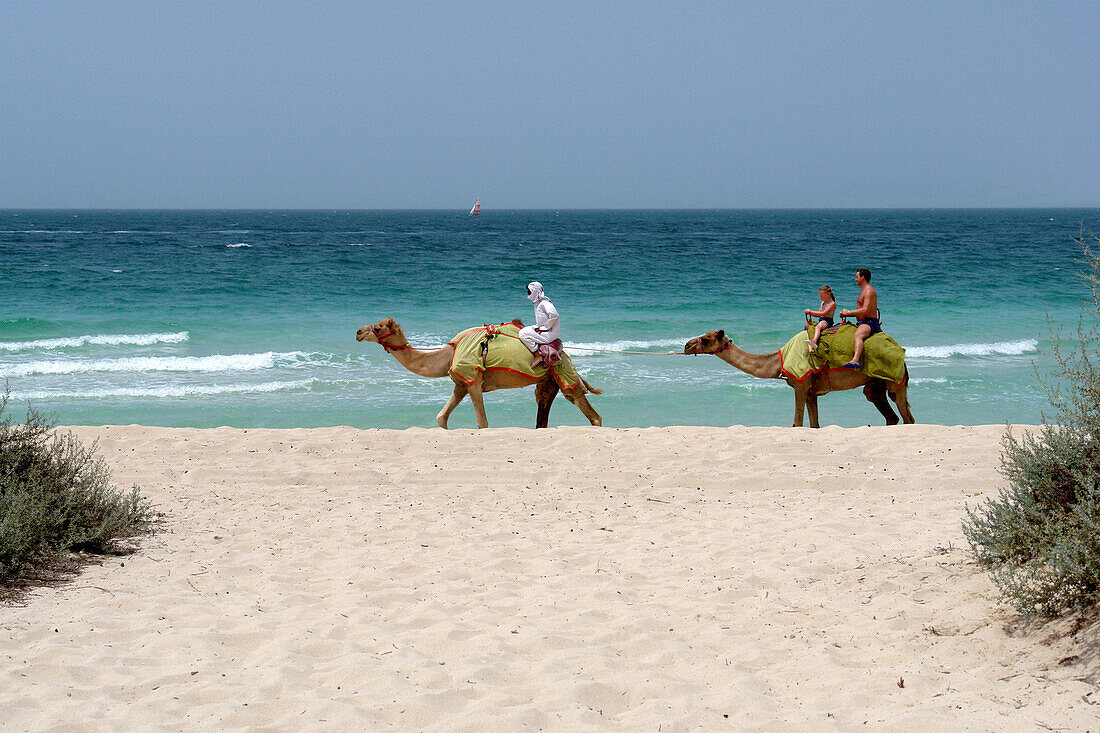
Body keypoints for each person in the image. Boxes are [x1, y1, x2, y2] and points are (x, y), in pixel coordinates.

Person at [838, 268, 879, 368]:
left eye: (857, 277)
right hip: (862, 321)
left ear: (863, 277)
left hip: (869, 322)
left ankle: (855, 360)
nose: (855, 279)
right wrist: (846, 315)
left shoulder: (869, 291)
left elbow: (865, 310)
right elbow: (860, 311)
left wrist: (848, 312)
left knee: (858, 335)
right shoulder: (864, 291)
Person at [518, 282, 560, 363]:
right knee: (526, 328)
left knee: (522, 334)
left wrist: (543, 328)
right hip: (547, 330)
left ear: (535, 292)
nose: (528, 294)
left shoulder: (544, 303)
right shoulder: (538, 303)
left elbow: (555, 315)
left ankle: (537, 354)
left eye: (530, 292)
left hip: (550, 333)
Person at [804, 285, 837, 353]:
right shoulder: (823, 303)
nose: (821, 298)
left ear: (828, 294)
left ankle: (814, 341)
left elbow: (823, 313)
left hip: (827, 321)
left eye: (822, 296)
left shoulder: (832, 304)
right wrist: (810, 314)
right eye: (820, 296)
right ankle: (811, 347)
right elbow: (819, 314)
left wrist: (810, 311)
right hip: (822, 319)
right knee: (809, 327)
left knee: (818, 327)